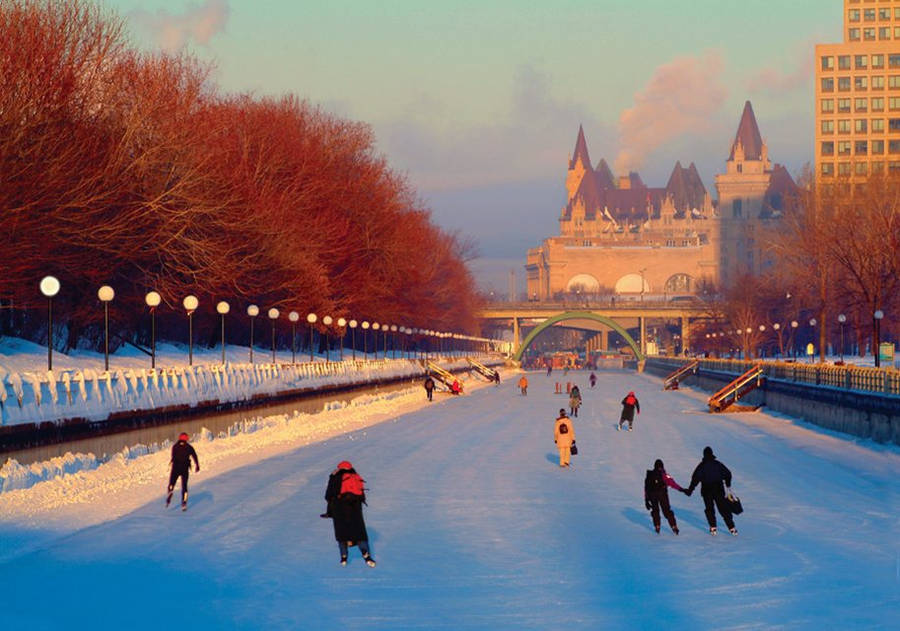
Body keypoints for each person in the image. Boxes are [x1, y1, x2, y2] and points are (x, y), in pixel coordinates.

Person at [324, 460, 376, 567]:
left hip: (340, 507)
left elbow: (329, 495)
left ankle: (344, 557)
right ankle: (366, 555)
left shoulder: (336, 476)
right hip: (355, 508)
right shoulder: (355, 475)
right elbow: (361, 494)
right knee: (359, 532)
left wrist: (330, 511)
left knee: (342, 533)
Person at [683, 446, 737, 536]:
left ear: (704, 455)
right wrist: (728, 484)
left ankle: (713, 527)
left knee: (709, 509)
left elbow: (695, 478)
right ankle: (732, 528)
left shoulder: (702, 466)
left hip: (706, 490)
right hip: (718, 489)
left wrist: (690, 490)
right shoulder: (718, 464)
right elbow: (728, 474)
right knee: (723, 509)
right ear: (712, 454)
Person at [644, 459, 683, 534]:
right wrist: (681, 489)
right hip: (662, 494)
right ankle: (674, 526)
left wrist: (646, 500)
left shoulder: (649, 475)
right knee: (667, 510)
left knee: (655, 511)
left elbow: (646, 488)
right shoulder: (663, 474)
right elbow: (672, 483)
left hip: (652, 495)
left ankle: (657, 526)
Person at [166, 432, 199, 511]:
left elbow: (173, 457)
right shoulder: (189, 447)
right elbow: (194, 456)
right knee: (184, 486)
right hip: (184, 469)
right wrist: (197, 465)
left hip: (175, 468)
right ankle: (184, 503)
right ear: (186, 439)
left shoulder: (175, 447)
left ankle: (170, 490)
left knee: (172, 482)